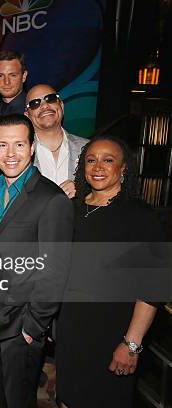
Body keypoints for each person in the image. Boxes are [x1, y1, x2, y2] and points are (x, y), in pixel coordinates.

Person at [0, 114, 73, 408]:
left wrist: (32, 327)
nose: (10, 154)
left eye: (18, 144)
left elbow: (55, 271)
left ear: (31, 148)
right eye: (3, 145)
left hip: (20, 326)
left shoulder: (51, 200)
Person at [56, 135, 166, 408]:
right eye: (91, 160)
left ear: (124, 167)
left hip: (113, 331)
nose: (98, 167)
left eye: (108, 160)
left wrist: (131, 344)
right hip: (71, 327)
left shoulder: (141, 216)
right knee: (67, 399)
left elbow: (152, 287)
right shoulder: (72, 208)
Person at [25, 84, 87, 198]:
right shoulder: (19, 154)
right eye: (35, 103)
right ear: (27, 115)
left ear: (61, 106)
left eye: (51, 98)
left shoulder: (88, 148)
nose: (44, 106)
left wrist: (83, 188)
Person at [0, 50, 28, 116]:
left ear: (24, 76)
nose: (6, 82)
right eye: (0, 76)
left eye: (13, 75)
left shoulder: (34, 110)